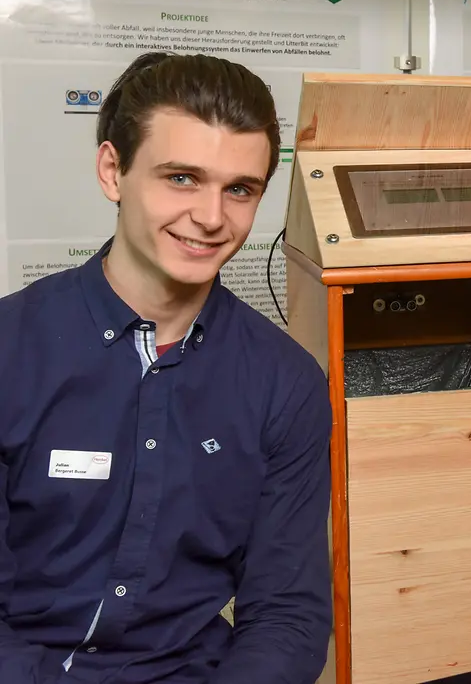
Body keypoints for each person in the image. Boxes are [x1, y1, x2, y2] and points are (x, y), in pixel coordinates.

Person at [0, 52, 333, 683]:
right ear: (112, 170)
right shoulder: (10, 349)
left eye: (240, 189)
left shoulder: (285, 383)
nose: (211, 217)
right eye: (181, 178)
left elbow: (286, 615)